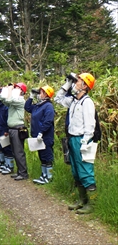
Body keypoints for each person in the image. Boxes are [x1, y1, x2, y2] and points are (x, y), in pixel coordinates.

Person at [54, 73, 97, 214]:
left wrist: (85, 142)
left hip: (82, 139)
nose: (75, 82)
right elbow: (57, 98)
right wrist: (67, 84)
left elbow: (91, 125)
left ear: (85, 85)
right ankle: (82, 200)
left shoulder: (87, 102)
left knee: (85, 171)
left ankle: (92, 204)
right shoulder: (73, 101)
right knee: (76, 171)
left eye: (78, 81)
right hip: (72, 139)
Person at [24, 85, 55, 185]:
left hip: (45, 136)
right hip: (37, 137)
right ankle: (43, 175)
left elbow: (48, 121)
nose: (39, 94)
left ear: (46, 94)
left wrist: (41, 132)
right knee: (42, 157)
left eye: (40, 92)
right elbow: (27, 107)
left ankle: (49, 177)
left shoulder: (48, 106)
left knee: (47, 157)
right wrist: (31, 96)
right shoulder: (38, 106)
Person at [0, 83, 29, 181]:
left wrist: (10, 90)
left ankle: (23, 173)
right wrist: (5, 90)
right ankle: (19, 171)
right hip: (12, 129)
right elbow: (3, 100)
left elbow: (8, 99)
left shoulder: (20, 100)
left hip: (17, 129)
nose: (15, 89)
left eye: (17, 88)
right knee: (15, 152)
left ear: (22, 91)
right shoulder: (13, 101)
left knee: (19, 152)